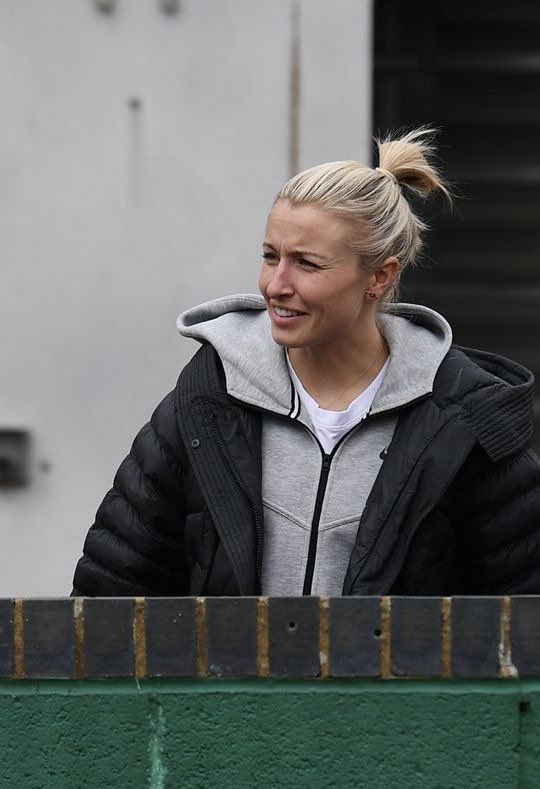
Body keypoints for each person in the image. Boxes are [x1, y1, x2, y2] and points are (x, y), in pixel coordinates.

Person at [72, 128, 540, 597]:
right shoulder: (207, 400)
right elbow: (109, 595)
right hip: (235, 675)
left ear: (379, 276)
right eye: (270, 256)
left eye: (307, 264)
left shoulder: (464, 419)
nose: (276, 285)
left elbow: (524, 613)